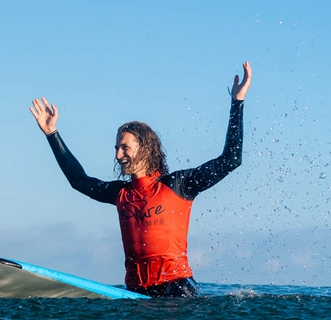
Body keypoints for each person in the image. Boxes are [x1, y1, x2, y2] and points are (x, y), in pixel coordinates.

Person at [28, 62, 252, 298]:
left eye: (124, 147)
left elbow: (231, 160)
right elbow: (79, 180)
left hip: (177, 288)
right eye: (116, 148)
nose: (118, 155)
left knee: (176, 296)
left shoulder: (178, 185)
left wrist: (237, 102)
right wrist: (51, 134)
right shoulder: (120, 194)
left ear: (145, 148)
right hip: (137, 293)